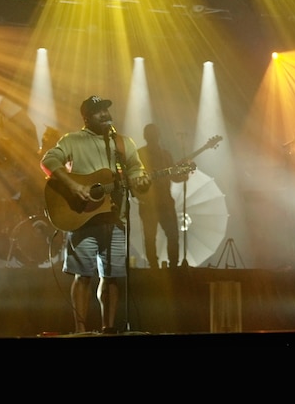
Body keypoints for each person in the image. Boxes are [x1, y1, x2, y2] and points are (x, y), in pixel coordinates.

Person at [40, 95, 151, 334]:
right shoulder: (73, 140)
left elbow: (135, 168)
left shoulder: (122, 143)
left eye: (106, 110)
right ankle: (80, 330)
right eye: (98, 111)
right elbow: (48, 160)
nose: (105, 114)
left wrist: (141, 181)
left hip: (115, 217)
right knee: (83, 276)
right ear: (86, 117)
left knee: (111, 277)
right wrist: (74, 186)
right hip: (82, 218)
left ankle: (107, 329)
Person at [137, 123, 189, 269]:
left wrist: (183, 175)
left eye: (154, 134)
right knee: (150, 237)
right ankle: (154, 265)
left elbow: (174, 176)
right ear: (146, 136)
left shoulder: (165, 155)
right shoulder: (139, 154)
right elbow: (133, 176)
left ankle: (172, 266)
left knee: (172, 235)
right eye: (150, 134)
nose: (152, 137)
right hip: (148, 202)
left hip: (165, 202)